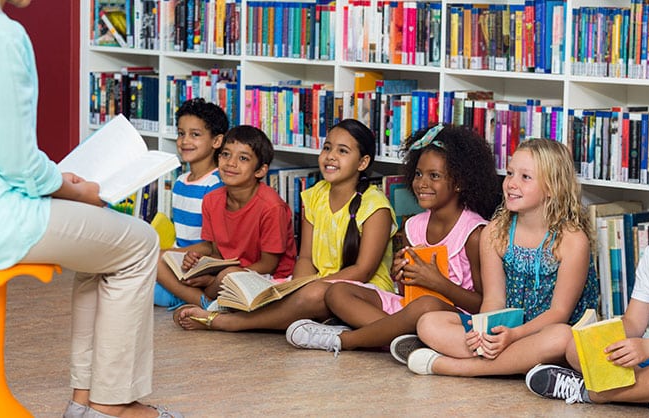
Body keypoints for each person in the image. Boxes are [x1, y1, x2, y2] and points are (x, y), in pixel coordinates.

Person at [0, 1, 181, 417]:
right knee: (139, 244)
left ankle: (86, 404)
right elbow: (17, 163)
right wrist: (71, 188)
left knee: (103, 246)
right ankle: (108, 407)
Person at [283, 124, 501, 356]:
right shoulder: (413, 226)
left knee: (426, 305)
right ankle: (402, 339)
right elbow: (405, 293)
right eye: (418, 174)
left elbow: (483, 305)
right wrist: (401, 276)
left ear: (459, 182)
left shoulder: (475, 233)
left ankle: (346, 339)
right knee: (338, 293)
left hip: (451, 317)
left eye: (434, 176)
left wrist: (438, 283)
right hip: (410, 310)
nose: (422, 183)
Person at [525, 158, 649, 418]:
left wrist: (648, 348)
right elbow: (634, 323)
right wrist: (600, 337)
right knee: (574, 348)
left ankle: (588, 393)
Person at [173, 119, 397, 331]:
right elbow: (306, 258)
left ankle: (231, 323)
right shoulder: (315, 196)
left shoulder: (375, 206)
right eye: (327, 148)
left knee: (316, 294)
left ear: (363, 162)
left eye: (342, 151)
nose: (330, 156)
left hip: (359, 290)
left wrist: (308, 287)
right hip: (315, 284)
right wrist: (295, 286)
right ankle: (278, 316)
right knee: (248, 284)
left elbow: (363, 270)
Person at [403, 138, 599, 378]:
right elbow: (494, 300)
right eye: (509, 173)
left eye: (525, 177)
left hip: (544, 332)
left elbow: (559, 313)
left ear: (552, 186)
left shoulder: (572, 241)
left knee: (561, 337)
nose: (511, 184)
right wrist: (483, 330)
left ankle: (452, 366)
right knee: (428, 323)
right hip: (504, 329)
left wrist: (514, 336)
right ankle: (513, 363)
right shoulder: (495, 232)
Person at [160, 125, 297, 313]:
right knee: (159, 259)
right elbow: (218, 254)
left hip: (270, 280)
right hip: (226, 274)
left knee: (228, 274)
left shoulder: (271, 207)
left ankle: (207, 297)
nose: (231, 163)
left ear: (260, 170)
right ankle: (207, 304)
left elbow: (269, 264)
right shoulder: (211, 200)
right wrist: (199, 263)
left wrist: (215, 278)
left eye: (243, 158)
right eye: (225, 154)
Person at [153, 98, 229, 309]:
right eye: (181, 133)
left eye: (195, 135)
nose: (185, 141)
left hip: (202, 260)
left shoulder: (215, 185)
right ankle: (177, 292)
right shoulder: (179, 182)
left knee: (149, 265)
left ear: (216, 141)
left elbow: (210, 245)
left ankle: (200, 301)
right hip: (179, 259)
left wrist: (164, 255)